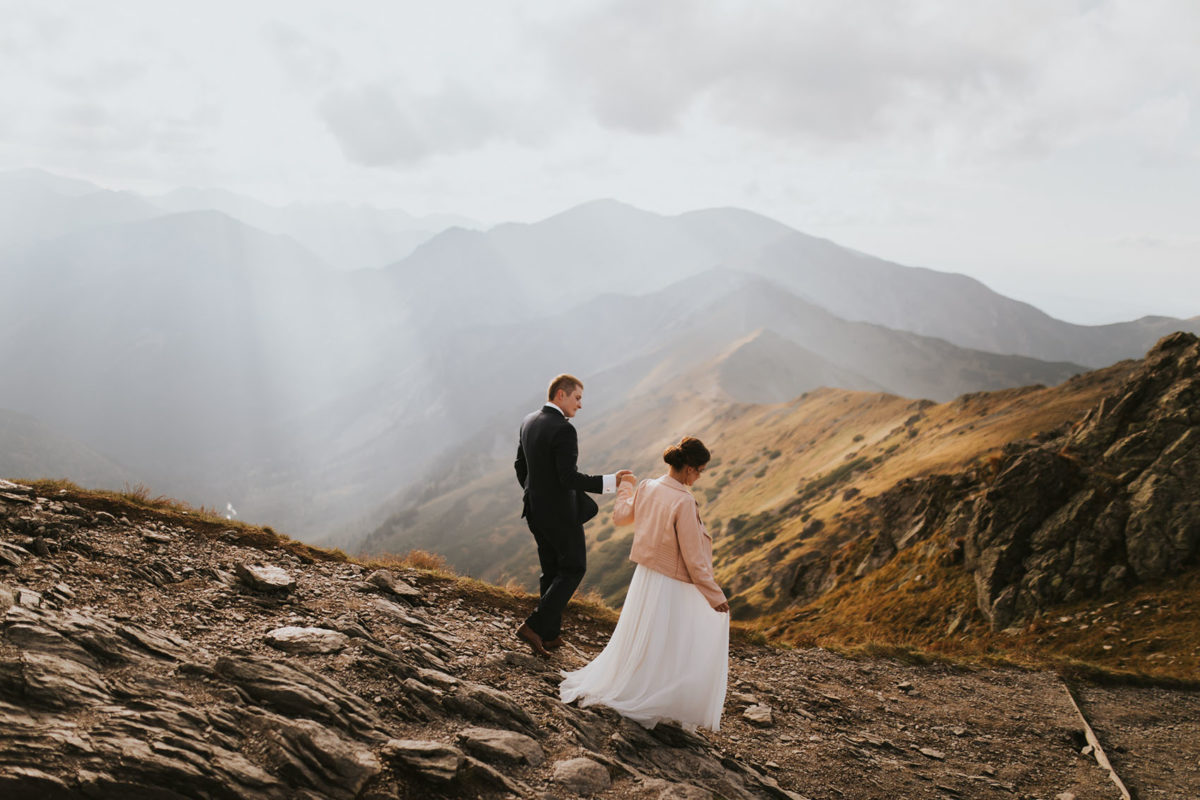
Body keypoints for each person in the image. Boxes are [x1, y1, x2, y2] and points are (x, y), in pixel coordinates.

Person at [560, 436, 730, 732]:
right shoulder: (684, 501)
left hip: (645, 575)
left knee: (643, 633)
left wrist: (627, 485)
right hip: (671, 581)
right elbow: (693, 557)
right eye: (700, 471)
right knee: (666, 639)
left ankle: (635, 684)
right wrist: (714, 594)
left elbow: (621, 517)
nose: (700, 477)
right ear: (690, 468)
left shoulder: (648, 486)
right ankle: (652, 694)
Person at [514, 373, 631, 657]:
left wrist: (536, 494)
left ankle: (549, 634)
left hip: (534, 509)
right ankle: (534, 626)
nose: (580, 404)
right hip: (559, 514)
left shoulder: (529, 421)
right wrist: (610, 482)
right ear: (561, 395)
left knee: (551, 570)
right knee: (574, 568)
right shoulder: (563, 429)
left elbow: (520, 466)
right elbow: (568, 478)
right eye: (577, 398)